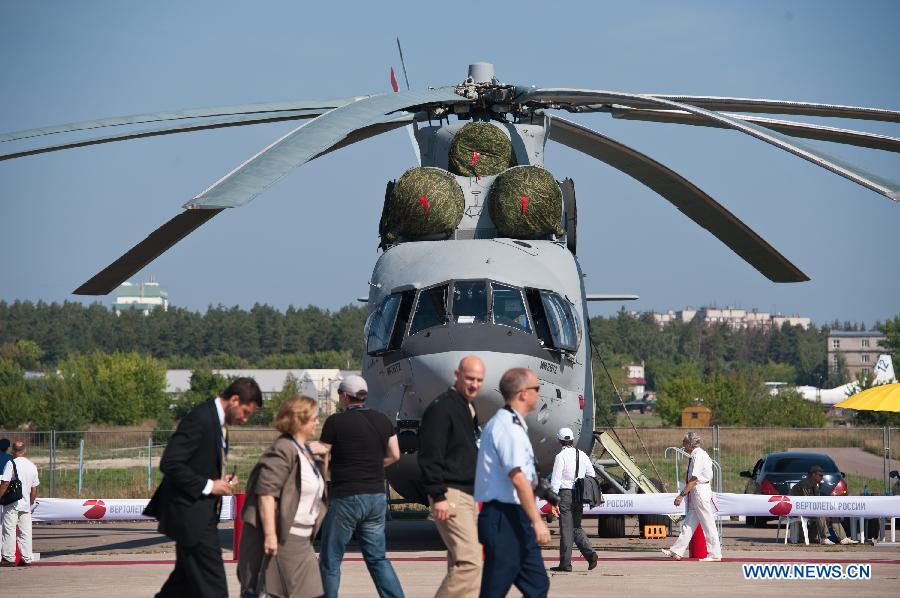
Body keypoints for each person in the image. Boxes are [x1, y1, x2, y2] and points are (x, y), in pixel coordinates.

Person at [145, 377, 261, 597]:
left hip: (200, 515)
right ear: (234, 400)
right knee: (214, 589)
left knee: (181, 586)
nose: (245, 419)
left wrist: (219, 479)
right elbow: (170, 462)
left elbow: (196, 463)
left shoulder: (217, 422)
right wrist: (209, 485)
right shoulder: (201, 418)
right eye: (246, 412)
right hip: (192, 517)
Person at [314, 374, 404, 598]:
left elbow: (323, 455)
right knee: (377, 558)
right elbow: (395, 454)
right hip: (375, 497)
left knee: (331, 559)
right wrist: (375, 465)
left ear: (344, 396)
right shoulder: (383, 420)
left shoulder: (335, 422)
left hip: (346, 496)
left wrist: (321, 488)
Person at [238, 395, 328, 597]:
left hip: (304, 542)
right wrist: (270, 536)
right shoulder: (283, 449)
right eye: (314, 417)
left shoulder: (304, 451)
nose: (317, 422)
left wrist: (324, 457)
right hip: (284, 542)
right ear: (300, 419)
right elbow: (266, 494)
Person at [474, 367, 550, 598]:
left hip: (515, 516)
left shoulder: (513, 425)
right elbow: (518, 478)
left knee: (537, 585)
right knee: (494, 590)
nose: (539, 393)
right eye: (537, 389)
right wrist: (538, 521)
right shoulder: (507, 428)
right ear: (523, 393)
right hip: (502, 518)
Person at [418, 355, 485, 597]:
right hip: (450, 493)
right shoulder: (442, 408)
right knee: (470, 562)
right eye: (469, 378)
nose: (474, 384)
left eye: (479, 380)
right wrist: (439, 494)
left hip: (467, 494)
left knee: (464, 563)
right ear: (457, 376)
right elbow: (429, 455)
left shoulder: (468, 407)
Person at [661, 432, 722, 562]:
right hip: (699, 490)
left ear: (689, 444)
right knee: (689, 523)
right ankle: (677, 550)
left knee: (708, 523)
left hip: (699, 490)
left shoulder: (698, 456)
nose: (682, 446)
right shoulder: (699, 454)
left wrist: (681, 495)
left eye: (684, 443)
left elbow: (694, 479)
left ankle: (715, 554)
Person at [549, 427, 599, 572]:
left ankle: (565, 564)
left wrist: (553, 501)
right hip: (579, 494)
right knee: (576, 527)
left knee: (566, 529)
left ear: (559, 440)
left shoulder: (561, 456)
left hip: (565, 494)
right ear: (572, 439)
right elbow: (592, 474)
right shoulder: (582, 454)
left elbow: (556, 480)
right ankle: (590, 555)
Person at [789, 465, 856, 545]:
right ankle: (824, 538)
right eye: (820, 475)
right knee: (820, 514)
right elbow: (808, 502)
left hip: (806, 509)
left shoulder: (816, 487)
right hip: (796, 509)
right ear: (813, 475)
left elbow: (817, 503)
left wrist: (827, 512)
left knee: (832, 514)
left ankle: (843, 538)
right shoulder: (805, 483)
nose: (822, 477)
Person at [0, 441, 40, 567]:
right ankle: (27, 558)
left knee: (9, 530)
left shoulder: (11, 463)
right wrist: (30, 502)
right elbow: (34, 489)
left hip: (12, 503)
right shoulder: (32, 466)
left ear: (13, 451)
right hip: (25, 504)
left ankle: (8, 558)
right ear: (24, 450)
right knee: (26, 532)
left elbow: (5, 483)